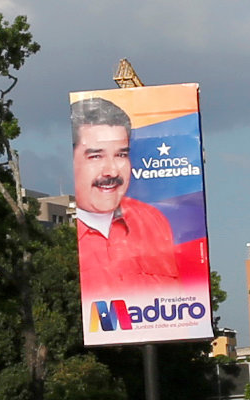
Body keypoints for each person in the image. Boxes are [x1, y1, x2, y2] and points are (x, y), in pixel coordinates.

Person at [68, 96, 190, 289]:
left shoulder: (152, 220)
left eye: (121, 155)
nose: (112, 171)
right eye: (96, 156)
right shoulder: (65, 238)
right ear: (72, 160)